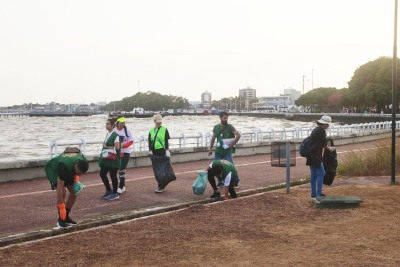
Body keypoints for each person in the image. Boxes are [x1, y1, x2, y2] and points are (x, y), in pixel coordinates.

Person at [45, 149, 89, 228]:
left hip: (70, 169)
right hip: (54, 170)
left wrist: (76, 180)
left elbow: (75, 150)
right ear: (76, 166)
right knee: (63, 191)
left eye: (82, 174)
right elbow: (59, 188)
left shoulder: (83, 161)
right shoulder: (63, 167)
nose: (80, 175)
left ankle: (66, 217)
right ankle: (61, 219)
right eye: (78, 173)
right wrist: (62, 207)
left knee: (75, 192)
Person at [208, 111, 241, 188]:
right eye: (224, 118)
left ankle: (236, 181)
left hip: (227, 151)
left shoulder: (230, 127)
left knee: (230, 165)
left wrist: (233, 144)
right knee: (216, 166)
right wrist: (210, 149)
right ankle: (220, 181)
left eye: (227, 118)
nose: (226, 120)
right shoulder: (216, 127)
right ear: (220, 118)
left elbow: (238, 135)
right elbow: (213, 139)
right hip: (218, 151)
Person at [306, 115, 333, 199]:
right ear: (324, 124)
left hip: (310, 155)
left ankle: (314, 193)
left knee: (314, 174)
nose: (328, 126)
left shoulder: (315, 130)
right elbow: (324, 144)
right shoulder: (321, 131)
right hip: (316, 156)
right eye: (328, 124)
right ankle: (318, 193)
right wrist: (330, 149)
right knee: (322, 173)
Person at [148, 113, 171, 193]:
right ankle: (161, 185)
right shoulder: (151, 131)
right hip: (154, 153)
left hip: (162, 152)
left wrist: (167, 150)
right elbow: (150, 141)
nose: (159, 123)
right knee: (156, 170)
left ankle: (161, 186)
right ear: (154, 121)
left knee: (162, 170)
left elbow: (166, 141)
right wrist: (150, 151)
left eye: (160, 122)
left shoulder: (164, 129)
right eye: (158, 122)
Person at [99, 118, 120, 201]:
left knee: (113, 175)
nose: (106, 125)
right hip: (106, 159)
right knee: (102, 174)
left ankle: (115, 193)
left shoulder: (115, 135)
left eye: (108, 124)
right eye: (106, 124)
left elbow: (117, 147)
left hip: (113, 159)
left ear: (112, 125)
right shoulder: (108, 134)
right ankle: (108, 190)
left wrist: (106, 146)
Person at [114, 117, 133, 194]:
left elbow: (131, 140)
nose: (123, 124)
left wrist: (124, 145)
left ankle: (120, 187)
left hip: (126, 153)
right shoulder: (114, 131)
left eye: (124, 122)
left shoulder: (126, 130)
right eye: (121, 122)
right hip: (117, 153)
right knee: (119, 169)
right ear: (117, 122)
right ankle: (123, 186)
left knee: (122, 168)